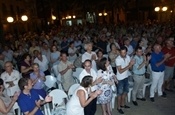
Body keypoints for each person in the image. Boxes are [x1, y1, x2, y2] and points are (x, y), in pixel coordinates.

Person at [115, 46, 135, 114]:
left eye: (124, 53)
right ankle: (118, 107)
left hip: (126, 77)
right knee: (119, 94)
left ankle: (123, 105)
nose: (123, 54)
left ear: (126, 52)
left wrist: (132, 65)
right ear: (120, 52)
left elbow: (130, 69)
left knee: (125, 92)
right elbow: (120, 71)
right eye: (122, 53)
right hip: (120, 78)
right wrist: (129, 65)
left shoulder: (128, 57)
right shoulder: (117, 59)